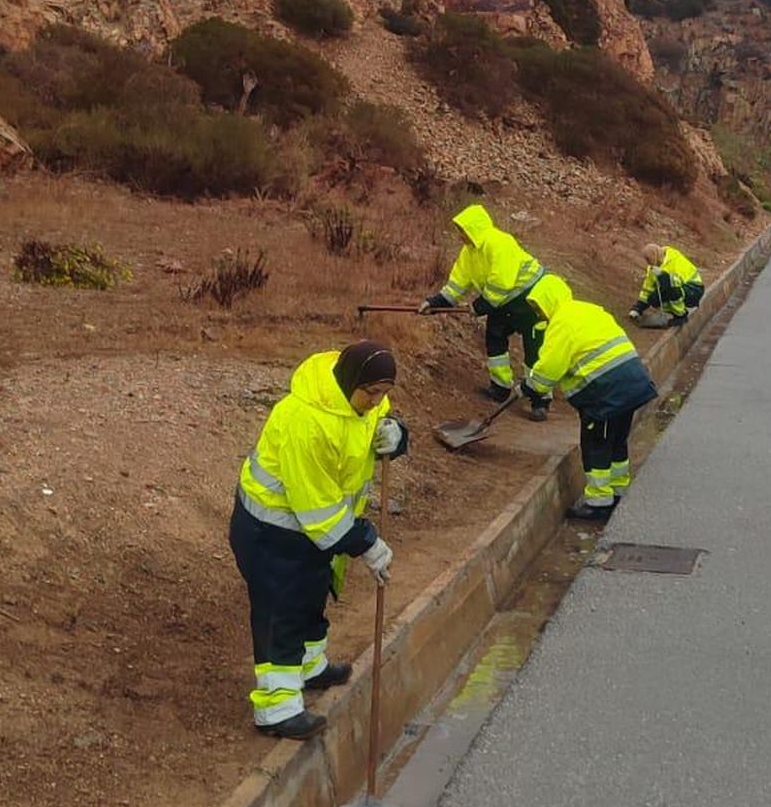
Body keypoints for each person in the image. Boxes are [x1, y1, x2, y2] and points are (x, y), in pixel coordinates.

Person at [228, 340, 408, 741]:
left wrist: (396, 436)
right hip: (272, 531)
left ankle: (310, 667)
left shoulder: (364, 400)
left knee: (312, 595)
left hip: (309, 532)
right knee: (283, 613)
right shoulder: (305, 422)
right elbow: (318, 511)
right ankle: (276, 709)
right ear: (351, 382)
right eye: (371, 393)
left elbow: (374, 429)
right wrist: (368, 543)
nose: (376, 401)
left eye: (383, 393)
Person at [523, 274, 657, 520]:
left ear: (549, 301)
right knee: (616, 441)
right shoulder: (588, 310)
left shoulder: (561, 324)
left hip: (606, 393)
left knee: (596, 445)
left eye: (539, 307)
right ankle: (618, 491)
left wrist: (531, 386)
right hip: (632, 383)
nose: (539, 314)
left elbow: (550, 367)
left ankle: (599, 503)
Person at [420, 202, 550, 417]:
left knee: (534, 349)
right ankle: (500, 387)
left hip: (530, 300)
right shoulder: (469, 252)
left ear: (473, 228)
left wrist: (479, 307)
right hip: (501, 302)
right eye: (459, 230)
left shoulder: (500, 243)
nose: (460, 235)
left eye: (462, 230)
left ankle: (540, 400)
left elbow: (501, 282)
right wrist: (435, 302)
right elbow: (457, 284)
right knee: (494, 340)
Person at [631, 240, 705, 328]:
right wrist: (638, 308)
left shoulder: (675, 260)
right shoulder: (653, 267)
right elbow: (647, 289)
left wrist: (662, 275)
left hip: (694, 289)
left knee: (670, 290)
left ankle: (680, 316)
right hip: (679, 288)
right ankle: (674, 313)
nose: (648, 262)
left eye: (648, 259)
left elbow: (674, 284)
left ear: (654, 256)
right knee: (654, 298)